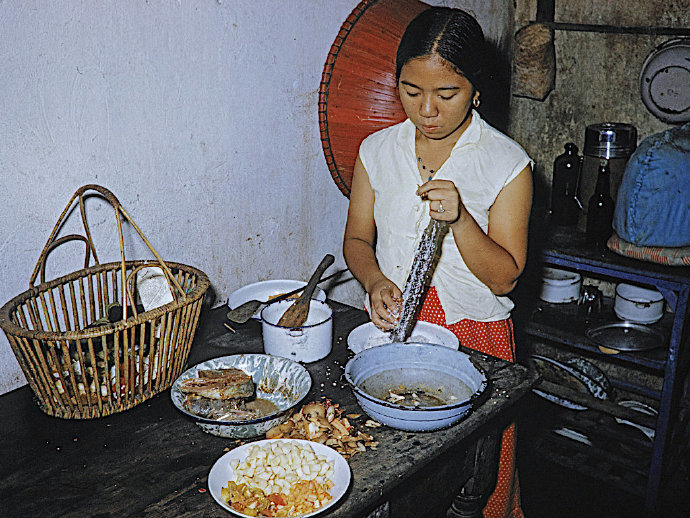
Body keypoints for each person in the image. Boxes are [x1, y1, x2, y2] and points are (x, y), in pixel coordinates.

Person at [342, 7, 532, 518]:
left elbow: (506, 274)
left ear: (475, 88)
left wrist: (462, 220)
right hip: (395, 330)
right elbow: (357, 239)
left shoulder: (506, 163)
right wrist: (375, 278)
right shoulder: (376, 150)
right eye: (410, 90)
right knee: (393, 479)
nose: (427, 109)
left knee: (472, 481)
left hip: (476, 338)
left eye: (446, 94)